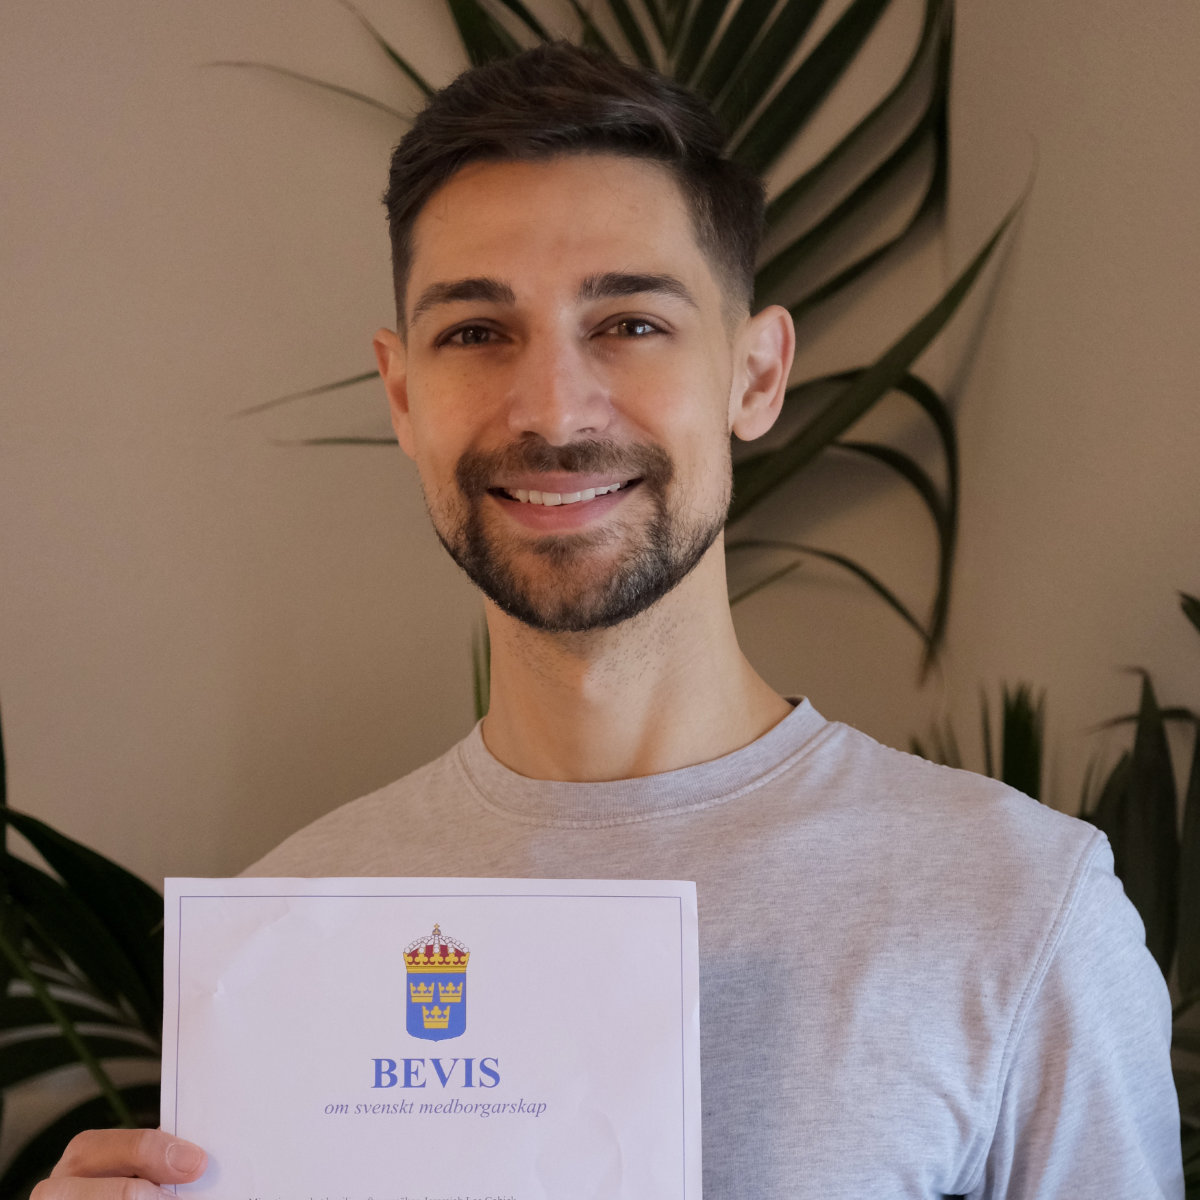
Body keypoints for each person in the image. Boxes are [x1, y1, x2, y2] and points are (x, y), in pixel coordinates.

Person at [38, 41, 1181, 1200]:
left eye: (630, 323)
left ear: (755, 375)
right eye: (475, 333)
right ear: (403, 394)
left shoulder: (1020, 909)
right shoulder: (291, 931)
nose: (552, 410)